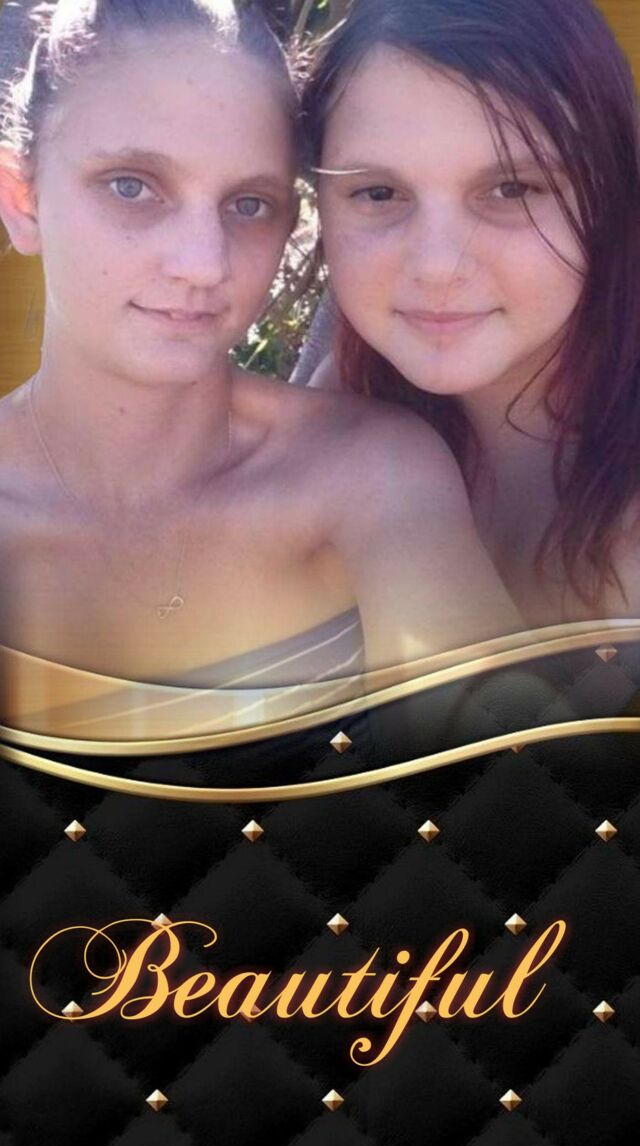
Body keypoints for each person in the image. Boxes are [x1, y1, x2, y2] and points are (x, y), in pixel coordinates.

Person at [0, 0, 524, 737]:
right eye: (131, 186)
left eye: (249, 204)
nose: (202, 263)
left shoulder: (369, 476)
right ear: (22, 200)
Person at [303, 0, 640, 628]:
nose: (436, 266)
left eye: (511, 189)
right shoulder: (346, 405)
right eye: (379, 193)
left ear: (610, 197)